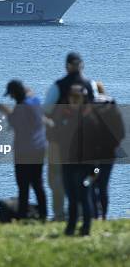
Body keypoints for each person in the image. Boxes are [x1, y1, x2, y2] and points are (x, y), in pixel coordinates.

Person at [43, 52, 96, 221]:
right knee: (82, 177)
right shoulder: (90, 85)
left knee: (56, 178)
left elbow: (46, 110)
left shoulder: (58, 86)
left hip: (58, 140)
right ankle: (82, 211)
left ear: (66, 66)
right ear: (82, 65)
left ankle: (59, 214)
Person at [0, 80, 47, 220]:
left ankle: (22, 216)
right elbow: (31, 95)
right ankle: (43, 214)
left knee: (23, 184)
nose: (11, 98)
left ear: (14, 94)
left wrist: (6, 112)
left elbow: (15, 124)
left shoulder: (20, 108)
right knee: (38, 183)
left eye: (11, 95)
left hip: (24, 151)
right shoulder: (35, 102)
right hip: (39, 148)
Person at [89, 82, 125, 220]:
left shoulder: (88, 106)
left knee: (92, 183)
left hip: (92, 155)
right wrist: (114, 146)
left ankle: (94, 216)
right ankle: (103, 215)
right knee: (103, 185)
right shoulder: (111, 105)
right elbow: (120, 131)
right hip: (108, 154)